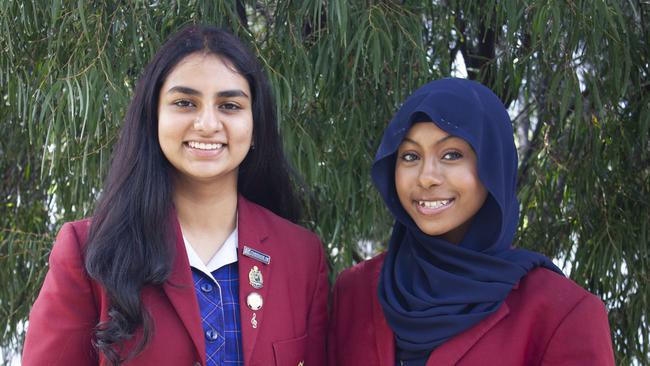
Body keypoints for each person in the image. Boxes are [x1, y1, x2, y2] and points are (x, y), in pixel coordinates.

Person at [23, 25, 328, 366]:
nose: (207, 123)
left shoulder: (301, 256)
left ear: (256, 126)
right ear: (153, 118)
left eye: (229, 105)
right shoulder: (88, 251)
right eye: (185, 103)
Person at [328, 78, 615, 366]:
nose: (427, 176)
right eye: (411, 156)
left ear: (492, 165)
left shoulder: (561, 313)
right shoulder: (355, 292)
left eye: (451, 154)